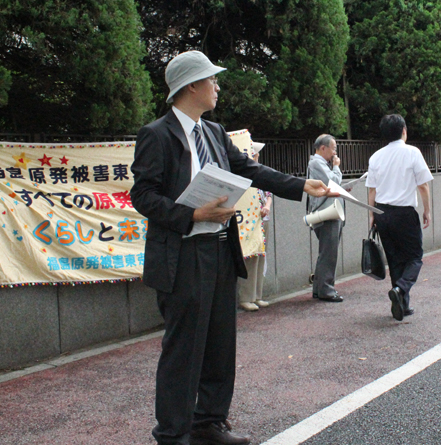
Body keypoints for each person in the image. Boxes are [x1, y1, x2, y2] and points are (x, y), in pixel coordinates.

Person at [130, 50, 333, 445]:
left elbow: (249, 169)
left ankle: (209, 422)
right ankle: (172, 434)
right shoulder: (156, 134)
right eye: (212, 80)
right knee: (183, 347)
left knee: (220, 342)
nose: (217, 87)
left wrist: (298, 184)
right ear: (191, 86)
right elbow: (143, 195)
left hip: (221, 249)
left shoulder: (214, 132)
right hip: (182, 255)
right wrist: (190, 214)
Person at [366, 114, 432, 321]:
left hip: (383, 213)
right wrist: (427, 211)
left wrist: (372, 215)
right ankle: (401, 289)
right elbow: (423, 185)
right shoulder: (412, 152)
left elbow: (371, 190)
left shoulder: (375, 157)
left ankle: (402, 304)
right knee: (414, 257)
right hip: (404, 213)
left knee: (394, 259)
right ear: (403, 130)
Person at [307, 134, 344, 303]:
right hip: (327, 213)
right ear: (323, 148)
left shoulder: (319, 164)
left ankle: (320, 289)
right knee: (329, 253)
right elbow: (333, 181)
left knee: (326, 252)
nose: (335, 152)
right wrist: (336, 167)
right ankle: (326, 290)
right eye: (333, 148)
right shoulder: (317, 163)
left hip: (328, 211)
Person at [238, 141, 273, 312]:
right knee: (251, 257)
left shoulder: (258, 172)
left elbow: (269, 193)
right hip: (250, 221)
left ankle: (257, 295)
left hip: (262, 219)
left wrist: (267, 206)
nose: (257, 155)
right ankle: (247, 296)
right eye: (254, 153)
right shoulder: (244, 173)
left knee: (261, 256)